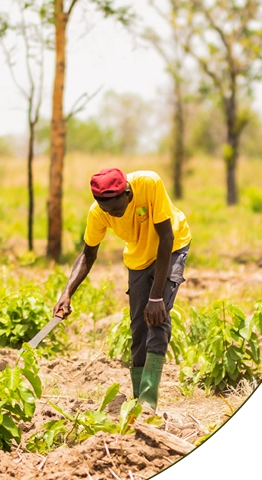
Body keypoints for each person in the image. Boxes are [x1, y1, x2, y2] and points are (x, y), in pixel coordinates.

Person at [53, 168, 191, 412]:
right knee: (138, 326)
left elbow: (166, 237)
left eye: (117, 209)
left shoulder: (149, 183)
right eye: (108, 212)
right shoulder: (99, 213)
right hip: (138, 258)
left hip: (171, 248)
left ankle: (148, 402)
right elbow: (88, 255)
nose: (113, 216)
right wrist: (67, 293)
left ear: (127, 193)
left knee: (157, 318)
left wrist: (157, 296)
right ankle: (139, 399)